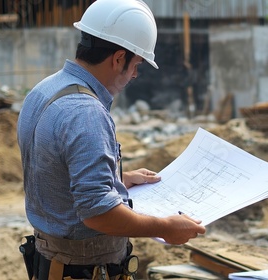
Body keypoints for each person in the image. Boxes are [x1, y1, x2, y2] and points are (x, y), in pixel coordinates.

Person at [16, 0, 206, 279]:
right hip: (82, 269)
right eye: (136, 64)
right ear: (118, 59)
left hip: (51, 262)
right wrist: (165, 227)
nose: (134, 74)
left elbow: (50, 170)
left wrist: (118, 177)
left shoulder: (45, 90)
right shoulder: (86, 112)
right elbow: (98, 213)